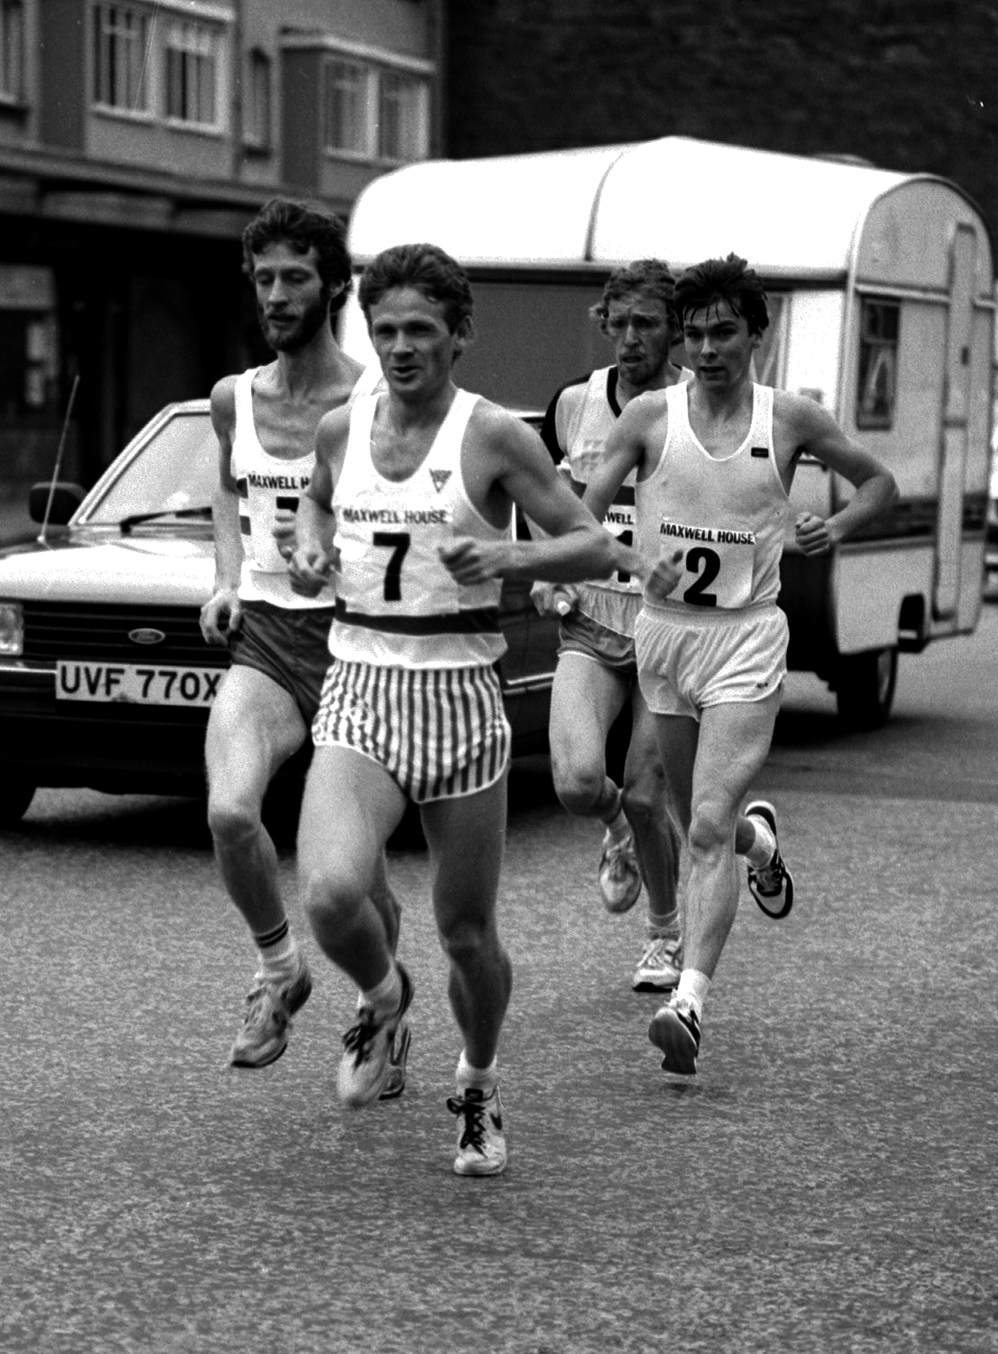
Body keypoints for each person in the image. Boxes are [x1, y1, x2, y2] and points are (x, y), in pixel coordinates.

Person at [289, 242, 617, 1176]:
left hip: (460, 697)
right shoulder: (340, 430)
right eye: (384, 330)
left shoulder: (492, 437)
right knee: (329, 892)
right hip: (361, 685)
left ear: (459, 336)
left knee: (467, 933)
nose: (400, 348)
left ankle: (476, 1082)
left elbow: (591, 545)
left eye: (420, 331)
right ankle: (385, 997)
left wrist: (510, 560)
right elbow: (314, 505)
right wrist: (312, 546)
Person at [583, 253, 898, 1075]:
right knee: (703, 826)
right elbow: (581, 517)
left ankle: (689, 1003)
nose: (707, 348)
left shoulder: (788, 419)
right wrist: (620, 553)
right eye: (693, 335)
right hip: (662, 636)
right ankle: (761, 845)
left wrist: (841, 527)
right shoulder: (649, 417)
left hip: (746, 637)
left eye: (724, 331)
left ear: (758, 333)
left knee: (706, 825)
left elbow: (879, 483)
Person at [199, 197, 405, 1090]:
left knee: (357, 881)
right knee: (230, 813)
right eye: (263, 279)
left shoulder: (374, 398)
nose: (276, 295)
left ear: (333, 288)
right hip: (270, 641)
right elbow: (226, 488)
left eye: (294, 278)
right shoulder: (230, 399)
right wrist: (225, 574)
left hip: (359, 648)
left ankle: (379, 1010)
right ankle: (278, 968)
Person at [533, 260, 688, 993]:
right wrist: (548, 569)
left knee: (649, 792)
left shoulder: (700, 407)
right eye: (618, 323)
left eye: (646, 324)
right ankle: (617, 835)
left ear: (675, 330)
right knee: (574, 781)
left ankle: (664, 936)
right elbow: (557, 502)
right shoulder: (573, 404)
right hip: (592, 619)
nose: (629, 338)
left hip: (672, 629)